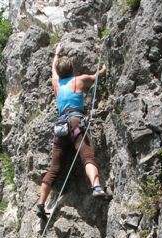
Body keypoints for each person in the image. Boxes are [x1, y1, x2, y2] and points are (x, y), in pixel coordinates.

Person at [36, 43, 108, 220]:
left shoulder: (57, 83)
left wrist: (56, 53)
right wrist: (104, 67)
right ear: (72, 69)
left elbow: (53, 68)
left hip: (60, 127)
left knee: (54, 168)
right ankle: (97, 187)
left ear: (60, 73)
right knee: (88, 157)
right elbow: (97, 76)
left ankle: (40, 203)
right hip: (76, 123)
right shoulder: (80, 80)